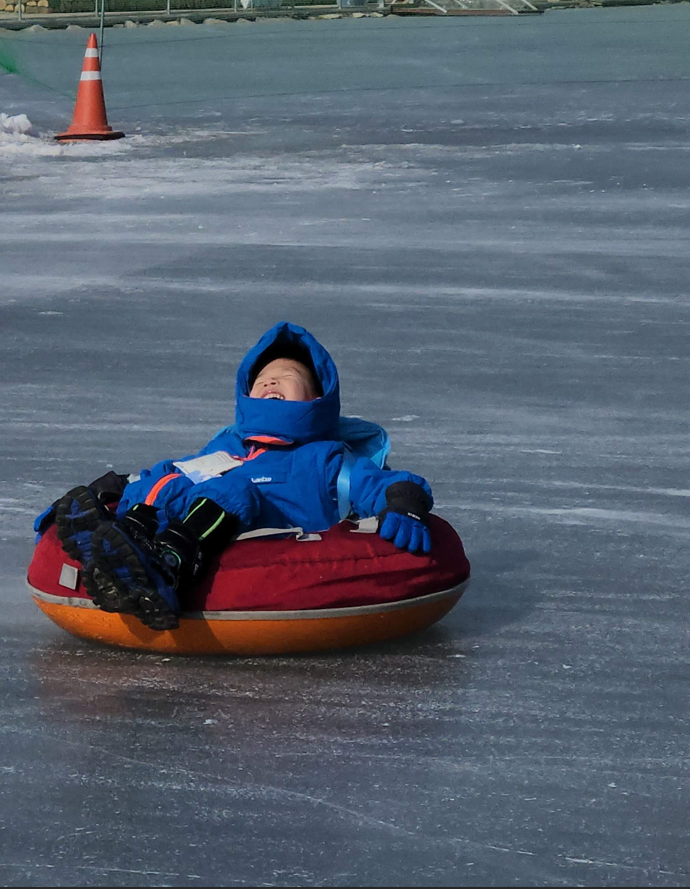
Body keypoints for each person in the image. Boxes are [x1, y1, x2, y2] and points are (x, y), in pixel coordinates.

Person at [43, 322, 434, 632]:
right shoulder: (226, 449)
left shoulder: (325, 457)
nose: (270, 381)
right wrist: (113, 488)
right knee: (169, 476)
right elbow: (175, 475)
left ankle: (168, 566)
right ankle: (117, 541)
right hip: (188, 513)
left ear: (316, 399)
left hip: (260, 531)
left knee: (233, 490)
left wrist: (404, 504)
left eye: (287, 375)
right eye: (262, 377)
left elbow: (380, 483)